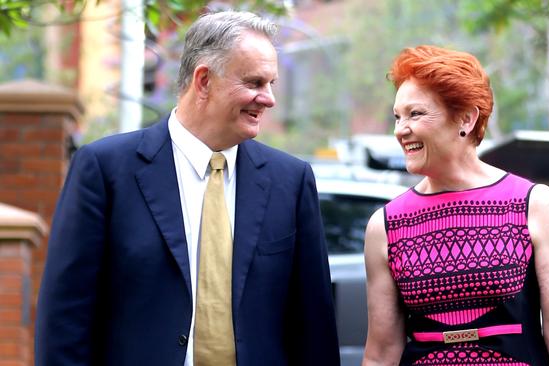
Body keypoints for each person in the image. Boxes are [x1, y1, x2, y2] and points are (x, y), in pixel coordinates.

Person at [35, 10, 340, 366]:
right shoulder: (104, 170)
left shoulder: (292, 180)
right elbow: (64, 319)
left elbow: (314, 329)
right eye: (255, 83)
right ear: (204, 80)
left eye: (271, 83)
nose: (269, 98)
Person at [362, 45, 549, 366]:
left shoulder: (534, 205)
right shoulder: (385, 225)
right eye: (397, 117)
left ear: (465, 118)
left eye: (416, 114)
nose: (400, 129)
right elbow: (381, 353)